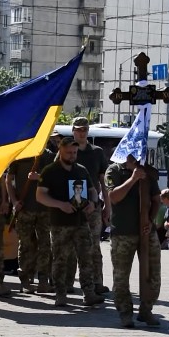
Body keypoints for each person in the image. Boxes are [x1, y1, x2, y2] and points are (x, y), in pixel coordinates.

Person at [36, 137, 106, 307]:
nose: (72, 155)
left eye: (74, 152)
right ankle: (60, 294)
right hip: (59, 223)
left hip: (81, 221)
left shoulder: (81, 170)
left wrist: (92, 202)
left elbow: (92, 190)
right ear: (60, 151)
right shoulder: (50, 171)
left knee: (86, 258)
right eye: (68, 152)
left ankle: (88, 293)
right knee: (60, 259)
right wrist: (60, 205)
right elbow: (40, 196)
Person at [105, 153, 161, 328]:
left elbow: (156, 200)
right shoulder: (114, 170)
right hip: (123, 232)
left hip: (146, 231)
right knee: (121, 276)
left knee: (153, 274)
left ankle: (146, 310)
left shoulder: (147, 171)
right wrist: (133, 179)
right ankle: (125, 313)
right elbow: (114, 197)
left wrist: (150, 220)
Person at [69, 117, 110, 295]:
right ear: (73, 131)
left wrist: (107, 206)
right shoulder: (67, 150)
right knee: (70, 245)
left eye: (84, 129)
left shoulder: (97, 152)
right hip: (71, 204)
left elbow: (103, 181)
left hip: (93, 205)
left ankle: (97, 282)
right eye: (78, 130)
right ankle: (67, 282)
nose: (81, 133)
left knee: (94, 245)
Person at [6, 147, 55, 294]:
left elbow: (55, 180)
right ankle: (25, 280)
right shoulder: (20, 154)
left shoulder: (49, 156)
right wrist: (14, 202)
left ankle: (43, 280)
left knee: (45, 245)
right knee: (25, 245)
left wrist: (39, 177)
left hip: (44, 209)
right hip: (25, 208)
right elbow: (8, 180)